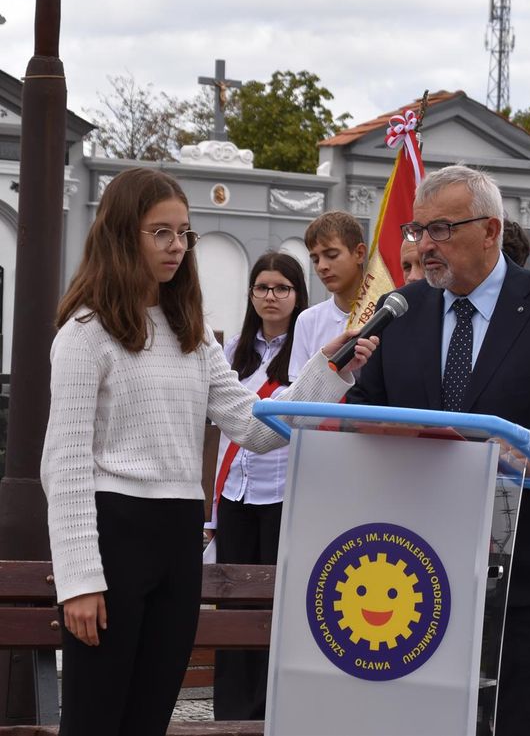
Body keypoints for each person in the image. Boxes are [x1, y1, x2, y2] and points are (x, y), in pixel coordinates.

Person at [39, 168, 377, 735]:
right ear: (124, 234)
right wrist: (79, 580)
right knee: (97, 717)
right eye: (161, 233)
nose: (178, 247)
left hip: (178, 535)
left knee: (149, 715)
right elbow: (66, 465)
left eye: (185, 233)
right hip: (112, 532)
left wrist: (330, 369)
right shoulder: (85, 333)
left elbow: (257, 429)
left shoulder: (192, 334)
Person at [345, 165, 530, 736]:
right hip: (415, 564)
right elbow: (368, 412)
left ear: (491, 230)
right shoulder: (402, 309)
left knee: (524, 719)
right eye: (418, 230)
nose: (425, 245)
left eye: (441, 229)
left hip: (529, 564)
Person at [202, 251, 308, 720]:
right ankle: (229, 709)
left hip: (282, 493)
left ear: (297, 294)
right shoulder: (232, 352)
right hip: (235, 494)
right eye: (262, 287)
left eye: (281, 288)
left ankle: (269, 710)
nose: (271, 296)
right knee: (232, 601)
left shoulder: (305, 350)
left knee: (274, 603)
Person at [288, 210, 367, 381]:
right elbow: (298, 392)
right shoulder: (308, 320)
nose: (322, 266)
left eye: (332, 255)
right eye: (315, 260)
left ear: (359, 253)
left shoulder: (384, 313)